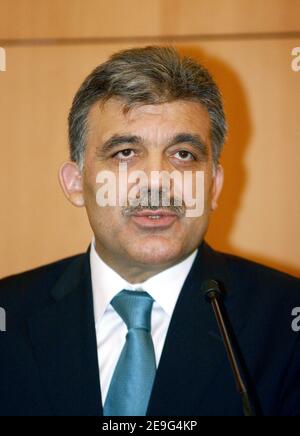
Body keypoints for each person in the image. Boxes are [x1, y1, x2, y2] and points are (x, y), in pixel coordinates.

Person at [0, 46, 299, 416]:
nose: (157, 183)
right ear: (76, 183)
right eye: (125, 153)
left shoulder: (286, 322)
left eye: (183, 154)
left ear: (214, 186)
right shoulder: (8, 315)